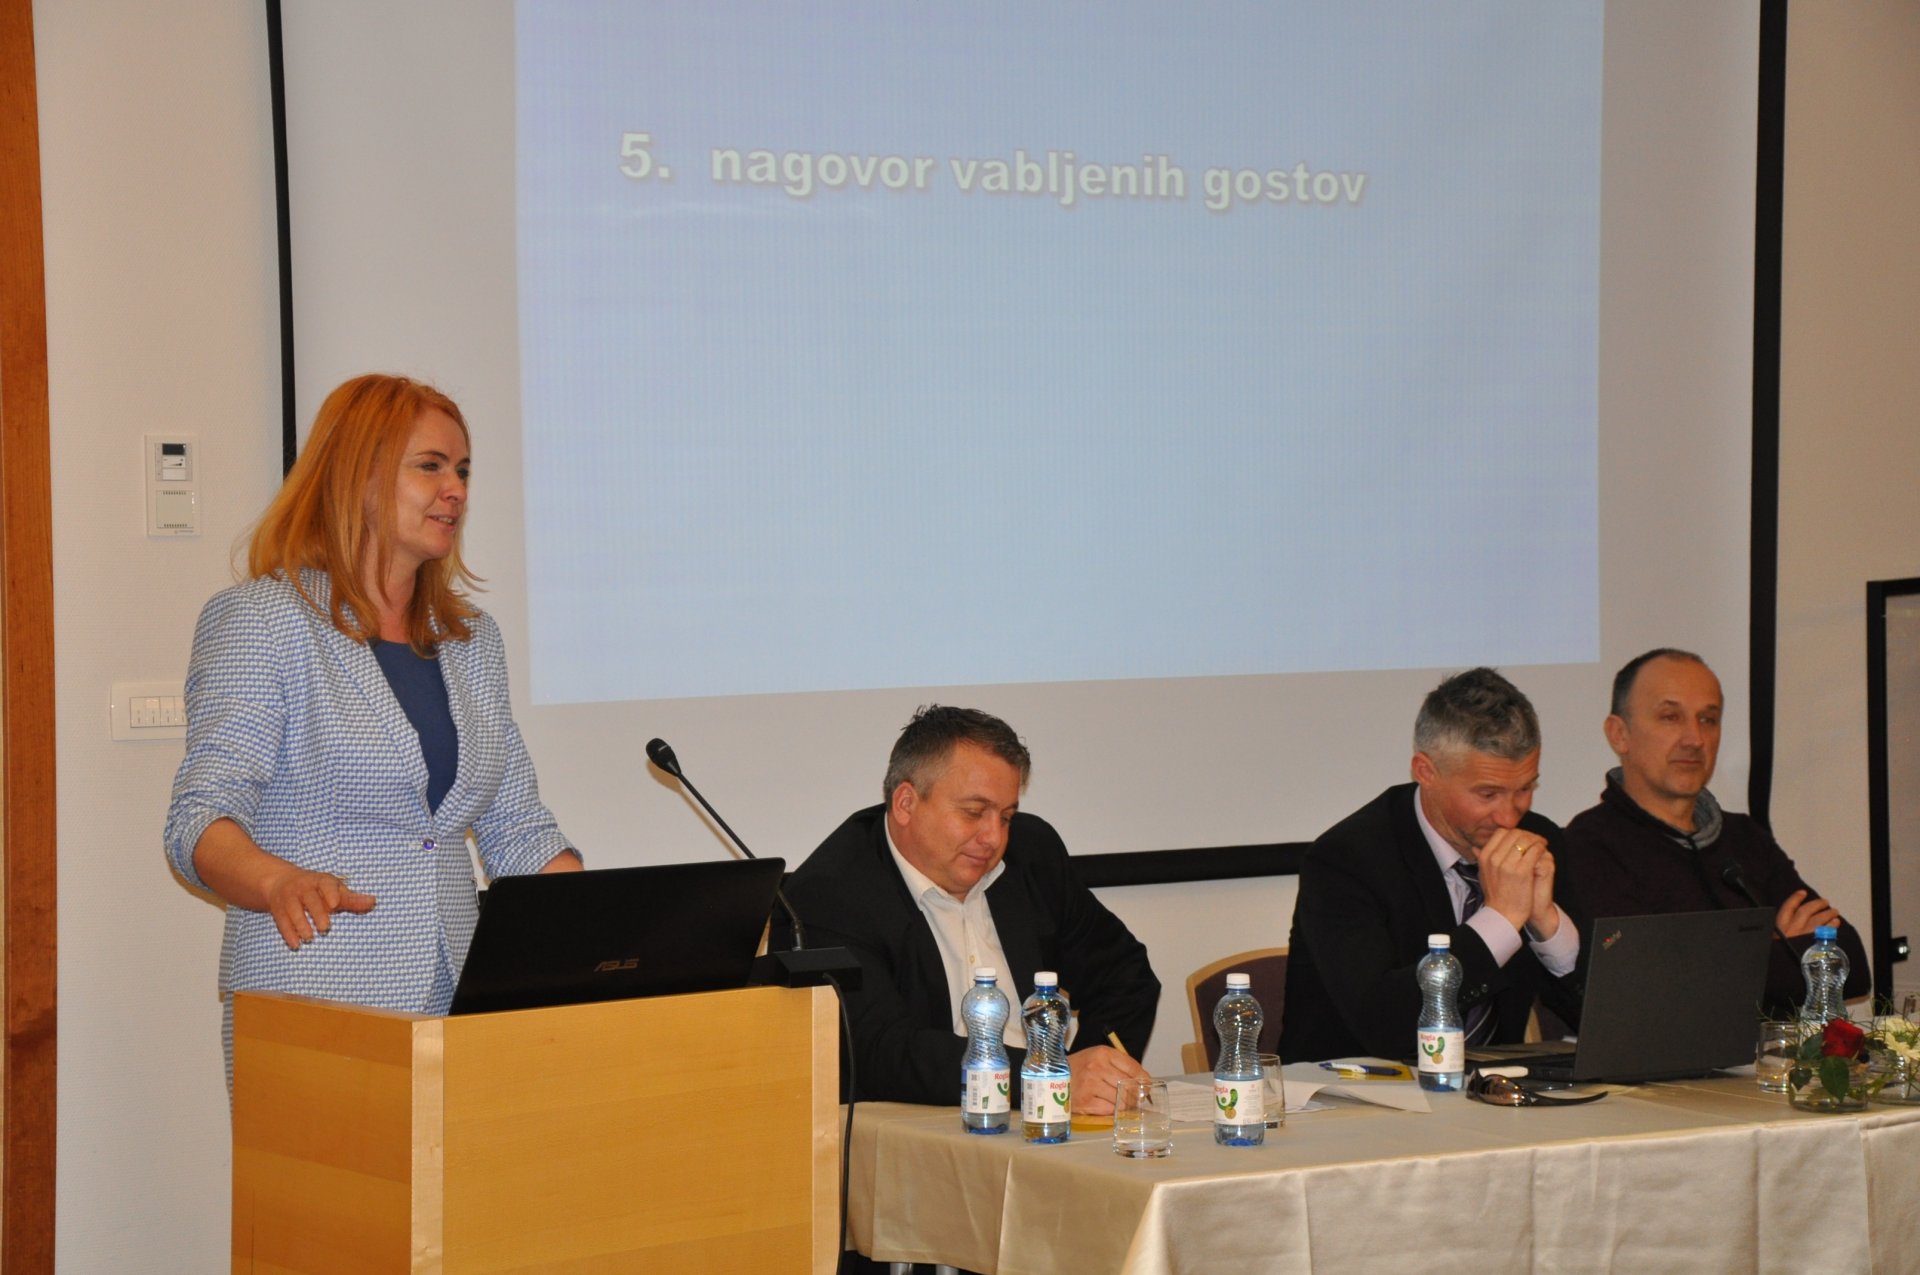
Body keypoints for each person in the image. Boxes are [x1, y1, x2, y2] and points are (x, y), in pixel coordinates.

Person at [163, 374, 580, 1074]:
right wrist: (276, 881)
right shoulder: (262, 621)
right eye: (431, 466)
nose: (456, 489)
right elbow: (200, 818)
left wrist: (618, 924)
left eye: (463, 470)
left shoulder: (473, 640)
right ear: (357, 476)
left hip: (459, 999)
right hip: (311, 996)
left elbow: (516, 828)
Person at [782, 705, 1159, 1114]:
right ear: (906, 803)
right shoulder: (830, 894)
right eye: (974, 813)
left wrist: (1095, 1080)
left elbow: (1125, 975)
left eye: (1007, 816)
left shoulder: (1032, 854)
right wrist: (1047, 1078)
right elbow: (879, 1051)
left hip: (1042, 1124)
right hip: (918, 1128)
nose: (994, 838)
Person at [1279, 667, 1584, 1063]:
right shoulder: (1346, 860)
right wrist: (1501, 919)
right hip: (1356, 1088)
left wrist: (1548, 926)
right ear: (1426, 772)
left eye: (1525, 788)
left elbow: (1602, 1022)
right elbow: (1385, 1025)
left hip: (1493, 1089)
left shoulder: (1538, 840)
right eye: (1487, 794)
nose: (1509, 816)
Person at [1561, 648, 1869, 1016]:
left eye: (1708, 719)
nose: (1695, 738)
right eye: (1670, 717)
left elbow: (1850, 965)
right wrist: (1776, 949)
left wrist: (1716, 966)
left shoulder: (1745, 838)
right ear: (1619, 734)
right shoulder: (1589, 845)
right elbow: (1650, 989)